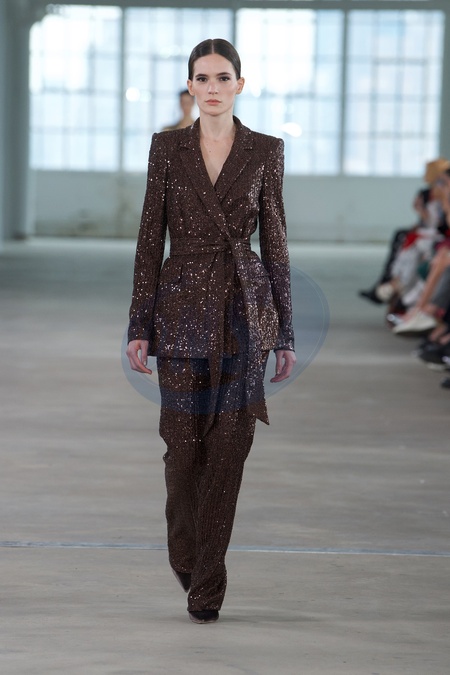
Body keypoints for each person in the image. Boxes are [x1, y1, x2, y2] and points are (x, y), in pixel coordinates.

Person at [126, 38, 296, 625]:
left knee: (230, 446)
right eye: (203, 78)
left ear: (240, 85)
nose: (214, 87)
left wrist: (285, 331)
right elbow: (150, 238)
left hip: (245, 310)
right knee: (182, 447)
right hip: (179, 310)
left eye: (224, 77)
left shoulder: (266, 150)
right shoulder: (167, 148)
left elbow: (276, 242)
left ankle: (209, 578)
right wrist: (139, 324)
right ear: (190, 86)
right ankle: (186, 553)